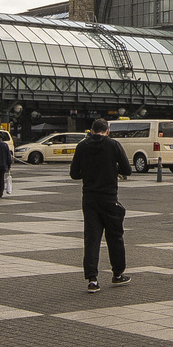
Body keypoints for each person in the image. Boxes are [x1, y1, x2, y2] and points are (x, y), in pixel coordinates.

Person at [70, 119, 130, 292]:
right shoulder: (114, 145)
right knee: (115, 236)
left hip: (89, 198)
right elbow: (127, 170)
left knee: (91, 239)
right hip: (109, 197)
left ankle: (92, 280)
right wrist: (112, 169)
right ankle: (118, 274)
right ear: (108, 131)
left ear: (91, 130)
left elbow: (74, 173)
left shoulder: (82, 146)